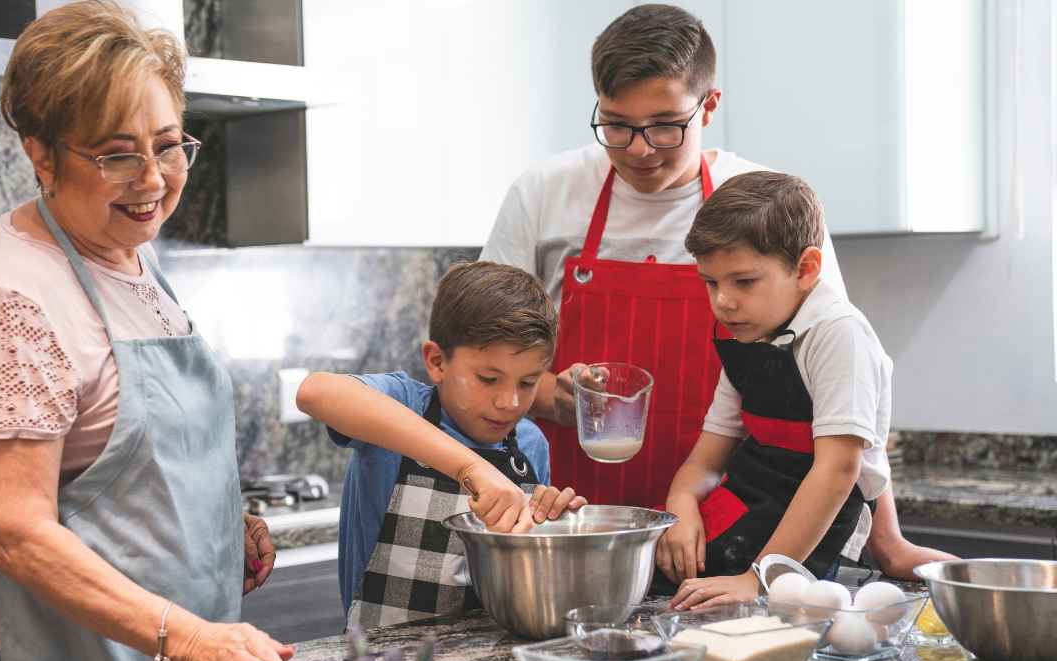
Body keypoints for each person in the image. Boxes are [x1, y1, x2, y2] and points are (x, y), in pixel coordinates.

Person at [480, 3, 954, 579]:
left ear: (709, 105)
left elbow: (838, 389)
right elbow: (481, 367)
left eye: (663, 125)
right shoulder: (543, 194)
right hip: (574, 518)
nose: (637, 148)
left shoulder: (765, 208)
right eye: (616, 125)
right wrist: (553, 393)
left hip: (716, 524)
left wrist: (888, 539)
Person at [0, 2, 292, 661]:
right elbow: (14, 533)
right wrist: (190, 635)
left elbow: (125, 470)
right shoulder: (9, 302)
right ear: (41, 153)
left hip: (134, 648)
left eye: (170, 143)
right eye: (118, 154)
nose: (152, 178)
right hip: (30, 655)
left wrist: (211, 529)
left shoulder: (129, 258)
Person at [296, 261, 587, 629]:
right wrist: (472, 468)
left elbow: (525, 577)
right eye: (488, 378)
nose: (509, 402)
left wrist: (552, 529)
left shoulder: (529, 445)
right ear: (436, 361)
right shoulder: (403, 407)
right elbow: (315, 391)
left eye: (528, 383)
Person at [658, 171, 891, 608]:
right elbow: (708, 459)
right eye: (711, 282)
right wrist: (682, 501)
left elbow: (839, 470)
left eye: (743, 282)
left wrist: (761, 577)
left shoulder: (837, 333)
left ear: (806, 270)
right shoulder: (747, 333)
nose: (723, 301)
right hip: (751, 508)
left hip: (816, 530)